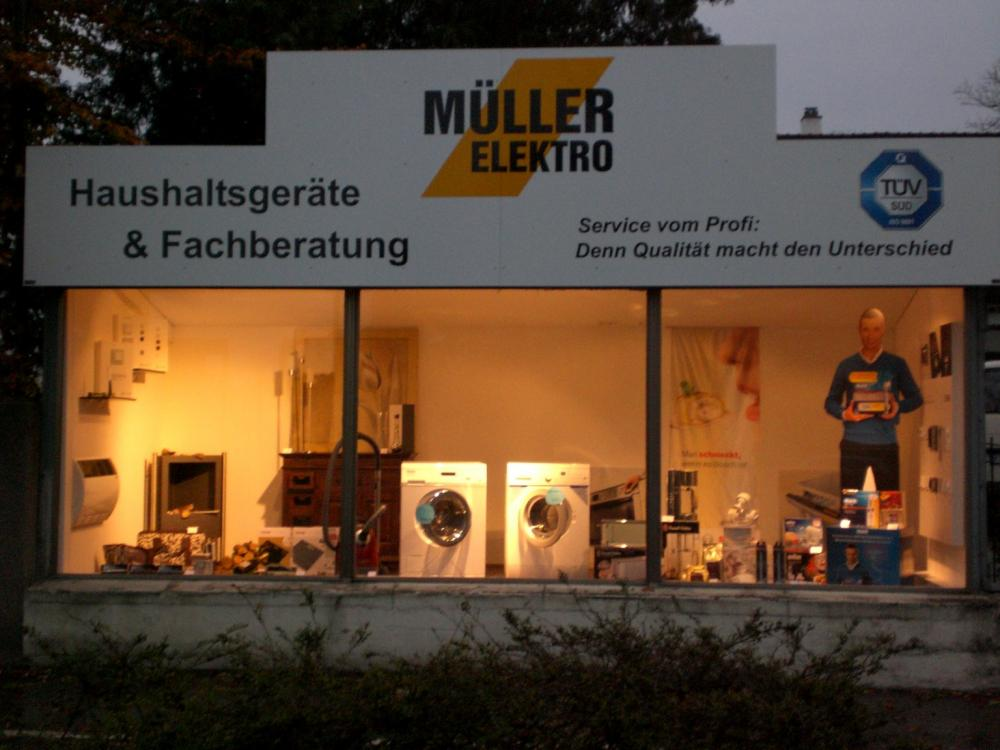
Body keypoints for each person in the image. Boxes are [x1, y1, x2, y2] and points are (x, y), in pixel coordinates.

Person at [824, 307, 923, 491]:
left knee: (889, 503)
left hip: (886, 444)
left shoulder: (896, 364)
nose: (870, 335)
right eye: (866, 329)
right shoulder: (846, 365)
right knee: (851, 503)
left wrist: (897, 407)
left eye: (876, 329)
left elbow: (916, 399)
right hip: (853, 444)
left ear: (883, 330)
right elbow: (830, 402)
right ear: (859, 331)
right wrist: (845, 414)